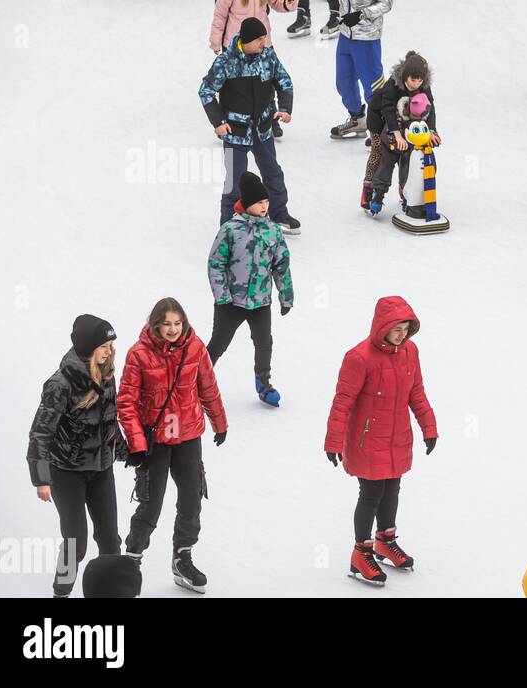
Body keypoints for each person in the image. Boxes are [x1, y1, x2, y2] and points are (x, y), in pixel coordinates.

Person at [324, 296, 438, 586]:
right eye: (396, 328)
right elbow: (342, 403)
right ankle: (361, 552)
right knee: (371, 493)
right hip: (367, 439)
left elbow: (417, 393)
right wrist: (333, 442)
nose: (402, 334)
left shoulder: (410, 352)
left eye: (406, 328)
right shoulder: (359, 357)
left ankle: (385, 540)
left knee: (392, 489)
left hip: (397, 436)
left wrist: (429, 427)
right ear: (381, 326)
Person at [117, 298, 228, 594]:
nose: (173, 329)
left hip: (189, 435)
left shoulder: (195, 347)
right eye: (166, 323)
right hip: (156, 441)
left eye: (177, 323)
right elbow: (126, 402)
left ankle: (183, 557)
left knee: (191, 500)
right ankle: (132, 560)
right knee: (151, 504)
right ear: (156, 323)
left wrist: (220, 422)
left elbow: (208, 386)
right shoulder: (138, 354)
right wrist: (137, 444)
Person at [27, 315, 126, 598]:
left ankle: (110, 593)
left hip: (101, 469)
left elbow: (109, 421)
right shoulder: (60, 384)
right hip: (66, 472)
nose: (110, 350)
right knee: (76, 543)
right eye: (104, 345)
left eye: (111, 344)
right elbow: (40, 434)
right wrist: (41, 479)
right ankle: (62, 592)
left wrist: (124, 451)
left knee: (110, 540)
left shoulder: (107, 376)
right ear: (87, 346)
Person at [199, 17, 300, 233]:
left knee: (273, 173)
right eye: (259, 40)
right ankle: (228, 226)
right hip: (235, 133)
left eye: (265, 38)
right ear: (245, 40)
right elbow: (206, 91)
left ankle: (279, 214)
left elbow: (284, 81)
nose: (263, 43)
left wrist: (285, 108)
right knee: (234, 181)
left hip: (262, 130)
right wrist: (217, 122)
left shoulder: (268, 57)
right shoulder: (226, 61)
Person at [206, 171, 295, 407]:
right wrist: (222, 296)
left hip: (260, 301)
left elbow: (281, 265)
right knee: (218, 344)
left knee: (264, 342)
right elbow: (216, 263)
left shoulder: (273, 230)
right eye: (259, 203)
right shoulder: (231, 230)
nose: (265, 207)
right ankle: (197, 383)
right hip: (231, 303)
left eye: (266, 202)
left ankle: (263, 384)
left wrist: (285, 296)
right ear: (247, 204)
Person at [360, 50, 439, 211]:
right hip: (380, 118)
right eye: (412, 80)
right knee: (379, 152)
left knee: (407, 156)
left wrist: (432, 131)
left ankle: (405, 191)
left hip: (406, 120)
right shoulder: (393, 84)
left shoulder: (424, 86)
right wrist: (396, 134)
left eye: (419, 81)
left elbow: (430, 109)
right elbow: (387, 109)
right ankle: (370, 189)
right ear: (405, 76)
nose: (415, 84)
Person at [329, 0, 394, 140]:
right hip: (345, 33)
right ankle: (357, 119)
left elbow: (386, 3)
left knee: (373, 87)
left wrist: (361, 14)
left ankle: (383, 129)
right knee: (343, 82)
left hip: (367, 37)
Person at [210, 0, 297, 54]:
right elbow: (220, 16)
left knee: (267, 78)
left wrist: (288, 2)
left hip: (262, 43)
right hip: (239, 45)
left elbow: (277, 3)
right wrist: (216, 41)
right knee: (238, 80)